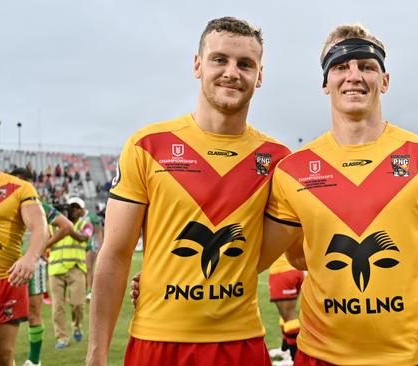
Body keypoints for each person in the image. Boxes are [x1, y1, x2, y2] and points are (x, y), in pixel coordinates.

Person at [258, 24, 418, 365]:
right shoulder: (293, 170)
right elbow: (271, 257)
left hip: (405, 358)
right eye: (340, 67)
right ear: (325, 83)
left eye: (366, 66)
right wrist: (159, 275)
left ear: (385, 80)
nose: (354, 75)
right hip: (319, 356)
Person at [86, 17, 290, 366]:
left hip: (240, 344)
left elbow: (267, 255)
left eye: (245, 64)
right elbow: (116, 253)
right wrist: (96, 353)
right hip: (156, 342)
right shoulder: (148, 145)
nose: (231, 72)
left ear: (260, 76)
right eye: (219, 59)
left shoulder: (277, 160)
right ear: (197, 65)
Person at [0, 147, 49, 366]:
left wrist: (30, 257)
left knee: (2, 356)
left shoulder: (20, 188)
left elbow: (39, 225)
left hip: (6, 281)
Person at [11, 168, 74, 366]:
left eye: (26, 184)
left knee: (33, 313)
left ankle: (34, 360)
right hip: (3, 264)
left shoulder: (39, 206)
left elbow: (67, 226)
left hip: (32, 265)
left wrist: (40, 248)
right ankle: (5, 356)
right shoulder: (1, 203)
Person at [48, 196, 93, 349]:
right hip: (55, 269)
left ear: (82, 211)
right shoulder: (52, 225)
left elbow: (83, 238)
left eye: (76, 208)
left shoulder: (86, 225)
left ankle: (77, 326)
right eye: (71, 207)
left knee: (78, 304)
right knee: (57, 307)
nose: (73, 210)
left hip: (76, 269)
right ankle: (61, 338)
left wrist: (67, 228)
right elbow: (42, 242)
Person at [268, 254, 304, 360]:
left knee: (289, 317)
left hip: (282, 271)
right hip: (295, 270)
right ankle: (285, 349)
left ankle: (294, 359)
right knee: (286, 315)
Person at [84, 203, 104, 300]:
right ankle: (85, 291)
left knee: (88, 268)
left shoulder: (91, 216)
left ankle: (91, 291)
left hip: (91, 245)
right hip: (80, 246)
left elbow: (99, 232)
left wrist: (100, 247)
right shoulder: (73, 216)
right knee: (83, 269)